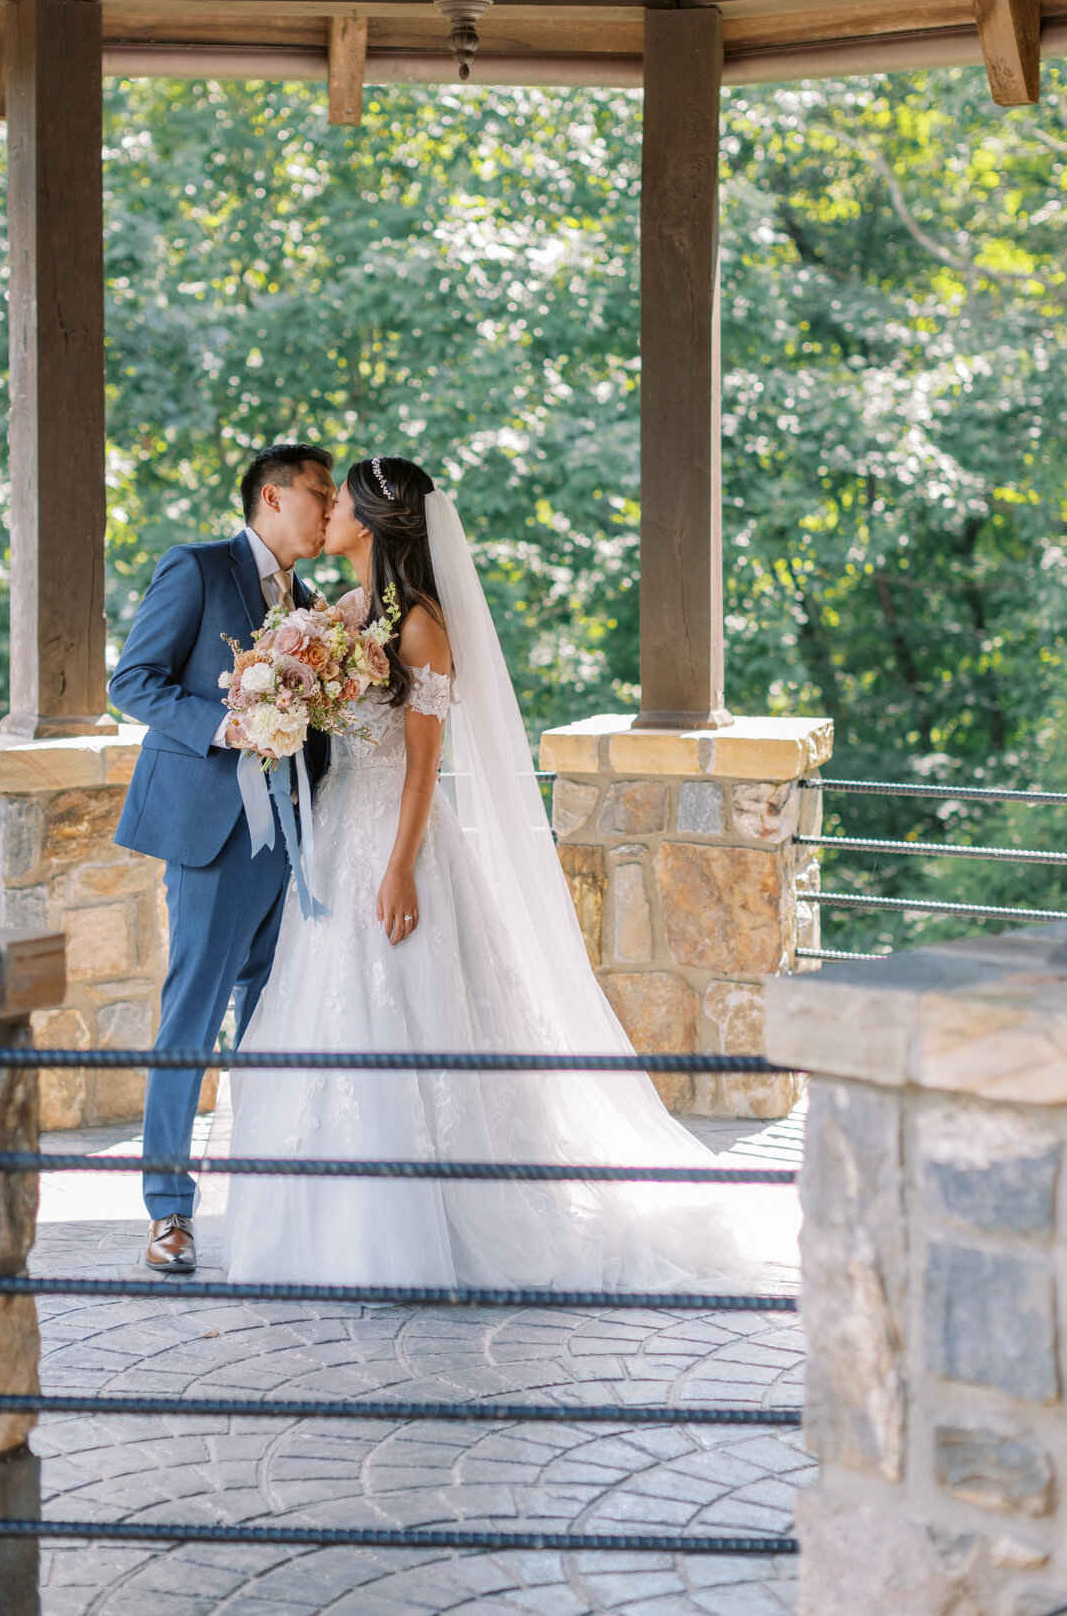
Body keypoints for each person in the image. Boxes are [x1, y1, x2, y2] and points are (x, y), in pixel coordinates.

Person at [223, 457, 796, 1292]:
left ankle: (434, 1224)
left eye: (340, 500)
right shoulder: (337, 614)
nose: (328, 513)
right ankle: (323, 1223)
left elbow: (423, 766)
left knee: (409, 1007)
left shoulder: (420, 624)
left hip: (394, 838)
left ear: (375, 521)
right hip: (334, 837)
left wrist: (401, 869)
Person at [109, 442, 336, 1273]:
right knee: (191, 1023)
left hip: (296, 848)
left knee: (273, 1026)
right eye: (319, 493)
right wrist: (226, 723)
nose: (329, 508)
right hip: (211, 836)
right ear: (272, 497)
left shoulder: (313, 603)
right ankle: (168, 1212)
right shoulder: (197, 569)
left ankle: (271, 1204)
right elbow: (132, 681)